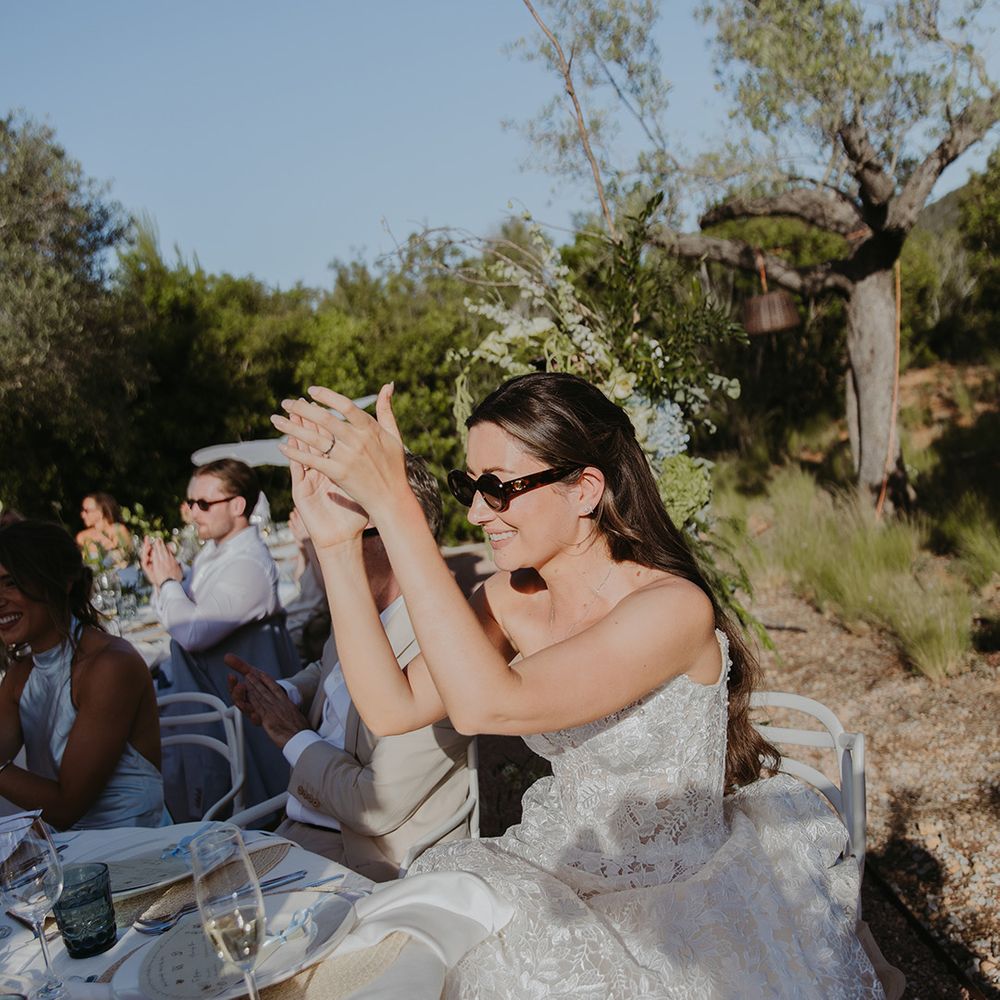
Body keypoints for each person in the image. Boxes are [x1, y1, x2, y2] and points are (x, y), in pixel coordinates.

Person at [271, 372, 893, 999]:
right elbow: (391, 707)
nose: (477, 512)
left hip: (676, 900)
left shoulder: (673, 609)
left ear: (586, 490)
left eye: (498, 487)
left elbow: (488, 704)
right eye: (470, 485)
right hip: (560, 865)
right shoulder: (509, 600)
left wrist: (396, 508)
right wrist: (337, 544)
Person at [227, 453, 472, 881]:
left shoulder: (445, 644)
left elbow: (374, 806)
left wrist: (290, 734)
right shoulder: (362, 612)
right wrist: (286, 692)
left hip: (369, 865)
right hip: (294, 830)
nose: (321, 550)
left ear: (395, 532)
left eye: (335, 531)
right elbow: (328, 671)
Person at [141, 458, 298, 819]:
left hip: (245, 714)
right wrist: (164, 582)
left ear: (237, 505)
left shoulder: (248, 565)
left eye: (203, 503)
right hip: (218, 703)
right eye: (190, 503)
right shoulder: (214, 553)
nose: (193, 513)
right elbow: (173, 614)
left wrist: (168, 582)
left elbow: (192, 632)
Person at [0, 520, 163, 830]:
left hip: (135, 848)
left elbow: (67, 806)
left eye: (11, 583)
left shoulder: (110, 666)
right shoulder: (20, 675)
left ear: (62, 582)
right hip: (67, 850)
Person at [76, 492, 132, 568]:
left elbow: (127, 559)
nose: (82, 515)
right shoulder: (82, 537)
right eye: (82, 510)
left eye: (86, 511)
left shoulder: (118, 530)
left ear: (100, 512)